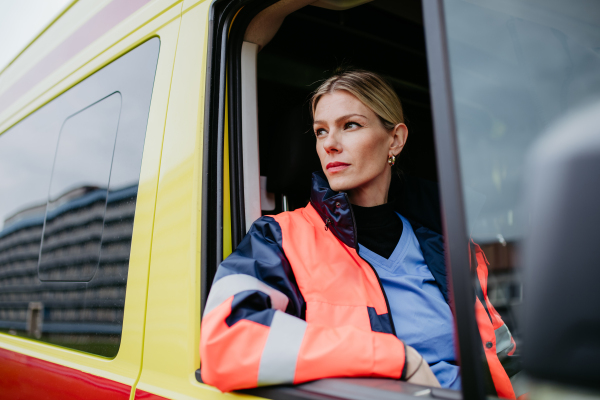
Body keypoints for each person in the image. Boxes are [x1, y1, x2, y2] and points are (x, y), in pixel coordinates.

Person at [200, 70, 520, 398]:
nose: (329, 144)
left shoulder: (449, 247)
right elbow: (225, 340)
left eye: (349, 125)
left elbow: (503, 354)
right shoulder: (277, 238)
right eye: (320, 131)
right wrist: (397, 359)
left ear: (395, 139)